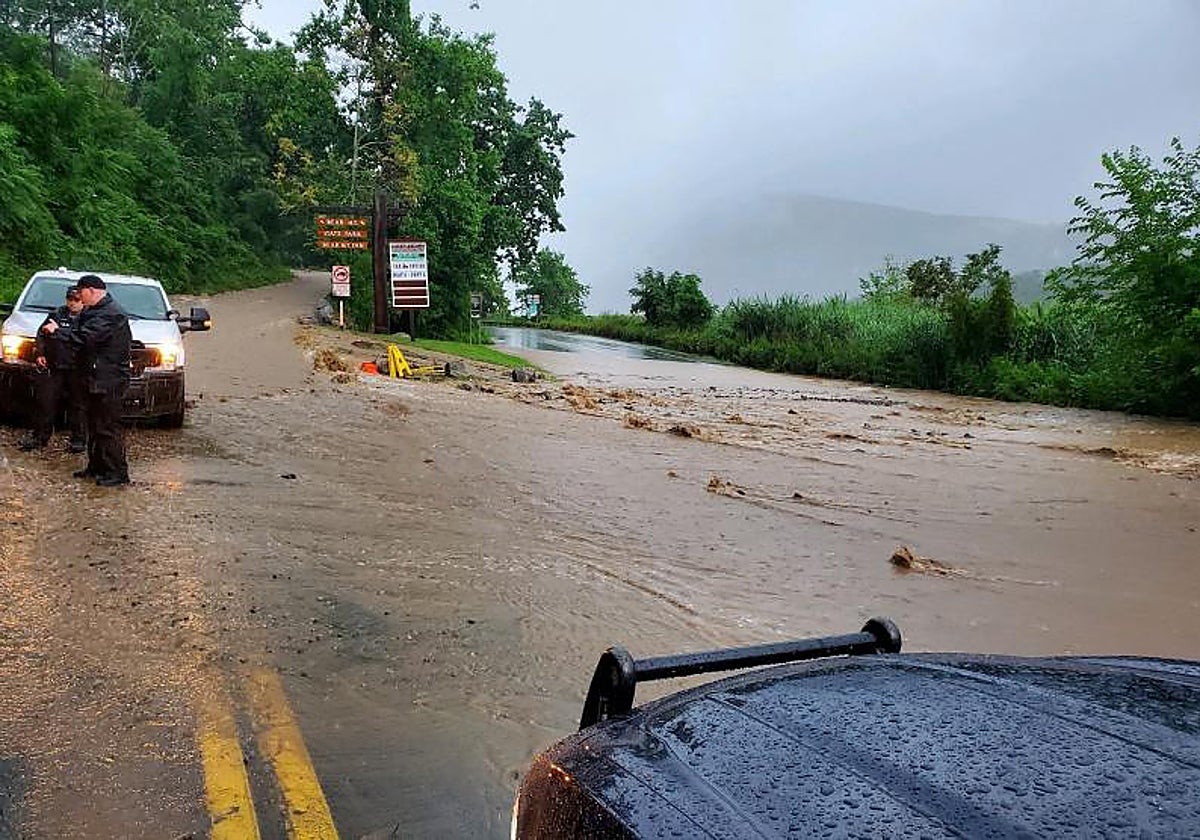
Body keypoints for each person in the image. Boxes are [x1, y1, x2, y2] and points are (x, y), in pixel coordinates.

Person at [42, 275, 132, 487]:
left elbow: (84, 338)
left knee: (107, 427)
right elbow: (78, 334)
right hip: (92, 377)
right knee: (94, 425)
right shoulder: (94, 311)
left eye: (80, 293)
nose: (79, 298)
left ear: (91, 290)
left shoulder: (111, 313)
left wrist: (58, 332)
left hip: (108, 379)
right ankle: (97, 467)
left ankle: (117, 472)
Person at [17, 287, 87, 453]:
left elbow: (84, 338)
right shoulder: (57, 314)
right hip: (54, 366)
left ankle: (78, 439)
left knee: (78, 405)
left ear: (83, 301)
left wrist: (60, 331)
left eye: (76, 300)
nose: (72, 303)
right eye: (69, 299)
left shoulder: (88, 318)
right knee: (45, 402)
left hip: (77, 368)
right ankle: (39, 437)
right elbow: (42, 334)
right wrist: (40, 353)